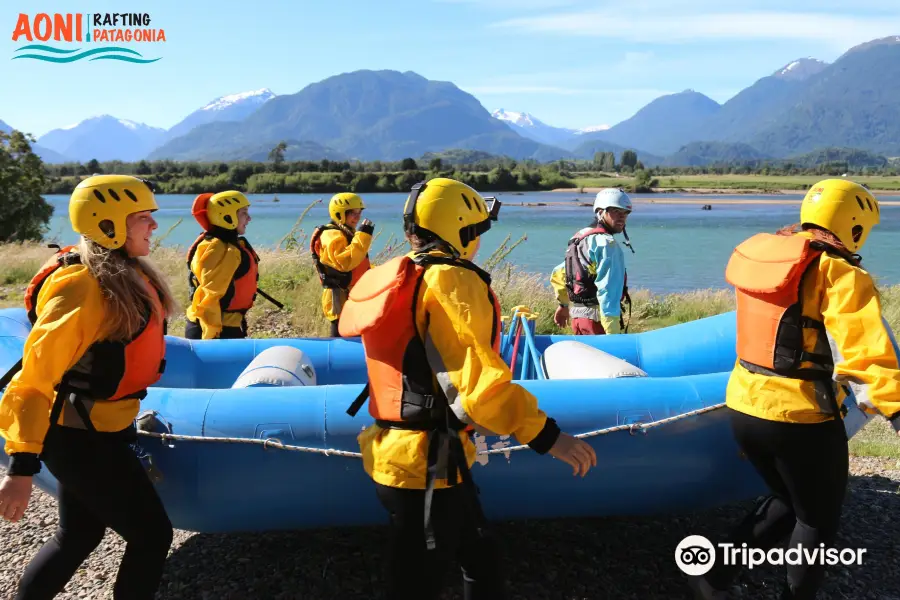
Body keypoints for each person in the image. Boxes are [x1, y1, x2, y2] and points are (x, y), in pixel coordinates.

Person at [338, 177, 598, 600]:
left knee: (481, 558)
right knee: (417, 582)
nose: (478, 242)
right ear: (460, 231)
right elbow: (479, 387)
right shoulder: (450, 282)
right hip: (426, 465)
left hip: (417, 456)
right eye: (477, 232)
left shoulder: (410, 273)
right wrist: (548, 437)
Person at [688, 179, 900, 600]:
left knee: (788, 499)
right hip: (799, 417)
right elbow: (864, 351)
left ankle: (713, 579)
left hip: (744, 406)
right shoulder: (838, 272)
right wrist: (895, 410)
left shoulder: (772, 256)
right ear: (854, 226)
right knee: (817, 520)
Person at [0, 175, 178, 599]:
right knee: (153, 535)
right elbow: (33, 381)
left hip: (101, 430)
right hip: (79, 438)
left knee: (78, 536)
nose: (153, 226)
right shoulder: (82, 286)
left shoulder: (129, 273)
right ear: (109, 223)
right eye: (143, 218)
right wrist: (21, 468)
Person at [549, 188, 634, 335]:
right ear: (600, 212)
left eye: (625, 213)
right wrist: (612, 331)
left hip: (578, 319)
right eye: (615, 211)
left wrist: (563, 305)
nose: (622, 217)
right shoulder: (607, 244)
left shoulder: (580, 236)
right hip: (598, 322)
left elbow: (559, 272)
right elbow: (609, 290)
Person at [185, 190, 259, 340]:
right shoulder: (219, 249)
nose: (249, 218)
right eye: (244, 213)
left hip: (225, 326)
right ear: (227, 216)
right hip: (214, 329)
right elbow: (209, 299)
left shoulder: (227, 246)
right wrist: (211, 338)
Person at [310, 192, 374, 337]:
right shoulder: (331, 235)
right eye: (352, 213)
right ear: (339, 214)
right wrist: (363, 236)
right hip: (338, 297)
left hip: (351, 296)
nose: (357, 217)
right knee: (339, 337)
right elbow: (345, 262)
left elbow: (358, 263)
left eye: (359, 212)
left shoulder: (347, 232)